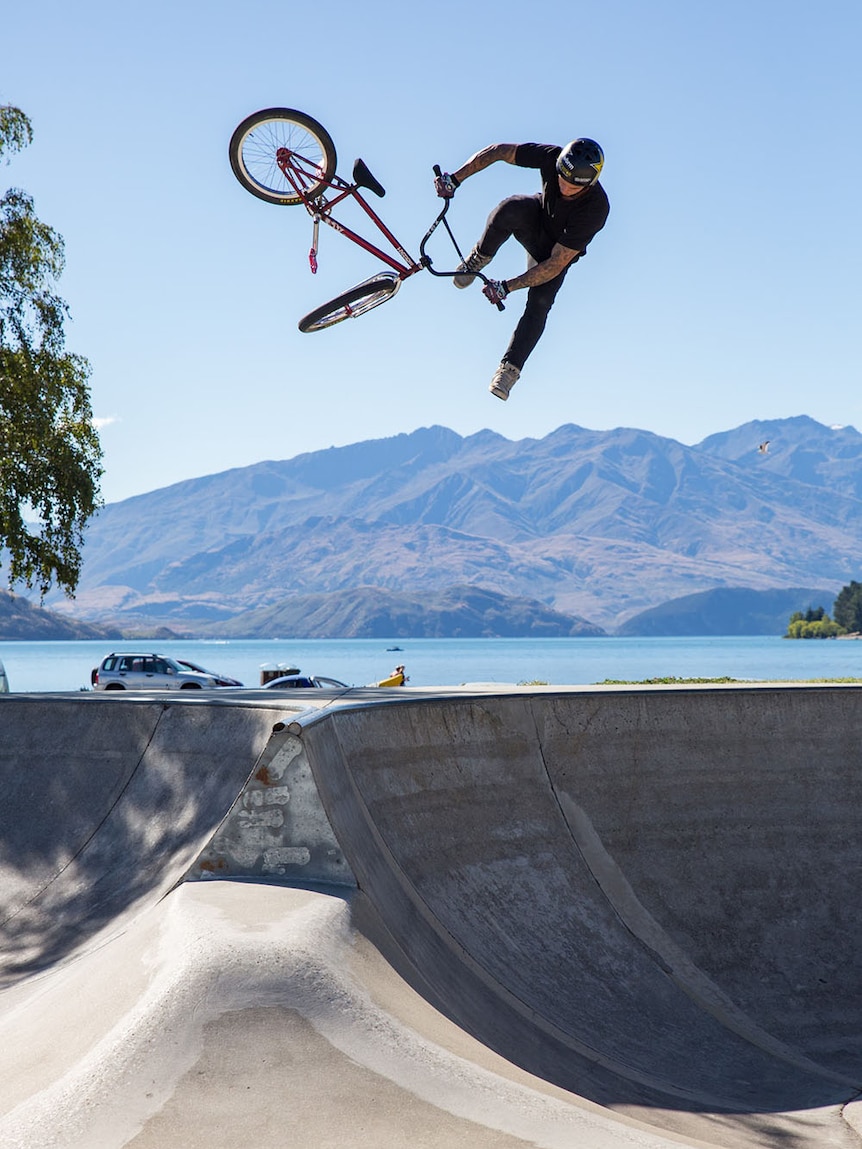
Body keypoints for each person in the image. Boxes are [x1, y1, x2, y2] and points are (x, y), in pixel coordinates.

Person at [434, 138, 609, 401]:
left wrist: (507, 287)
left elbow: (554, 264)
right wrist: (455, 179)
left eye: (571, 185)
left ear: (588, 184)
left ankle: (508, 371)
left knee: (539, 303)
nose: (563, 185)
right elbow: (500, 152)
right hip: (536, 220)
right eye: (561, 177)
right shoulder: (552, 156)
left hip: (555, 255)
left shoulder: (596, 208)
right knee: (510, 208)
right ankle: (478, 259)